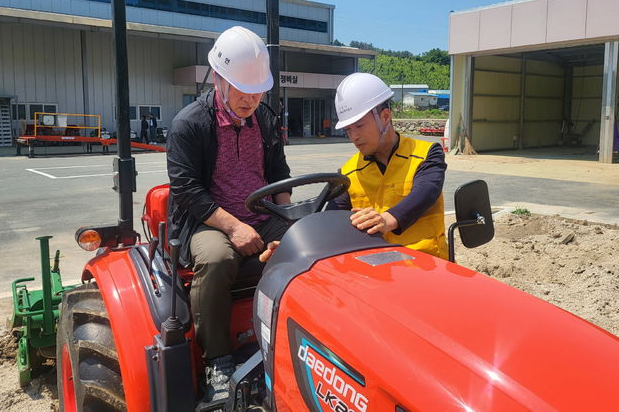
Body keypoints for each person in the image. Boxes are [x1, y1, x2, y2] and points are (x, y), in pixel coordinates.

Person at [166, 26, 291, 402]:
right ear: (218, 78)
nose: (250, 99)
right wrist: (235, 227)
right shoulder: (189, 124)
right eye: (242, 89)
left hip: (260, 211)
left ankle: (291, 334)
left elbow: (280, 174)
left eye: (257, 91)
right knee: (218, 260)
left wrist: (288, 221)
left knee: (306, 243)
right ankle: (217, 360)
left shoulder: (266, 119)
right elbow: (187, 190)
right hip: (209, 220)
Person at [260, 72, 448, 262]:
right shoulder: (348, 172)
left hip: (428, 264)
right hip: (377, 268)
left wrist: (386, 220)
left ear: (385, 116)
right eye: (348, 129)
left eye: (359, 126)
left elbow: (426, 192)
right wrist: (295, 244)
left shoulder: (427, 154)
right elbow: (330, 219)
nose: (353, 136)